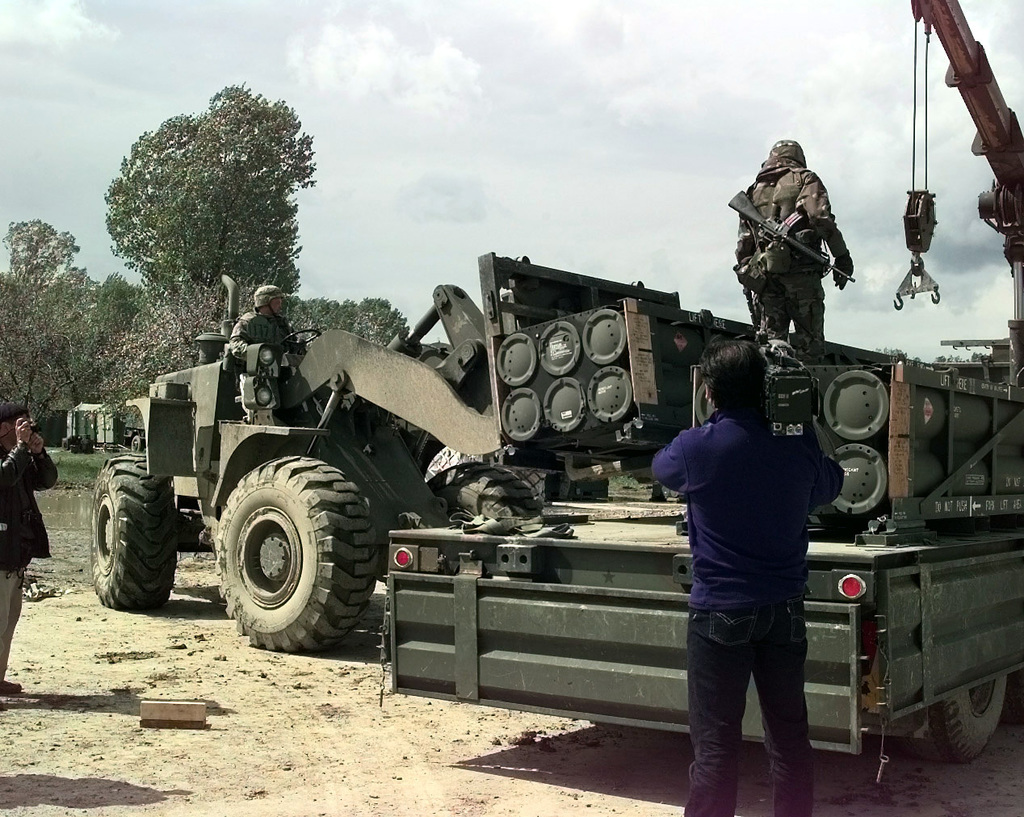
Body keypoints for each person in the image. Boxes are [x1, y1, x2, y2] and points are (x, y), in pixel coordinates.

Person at [651, 339, 844, 817]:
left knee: (716, 747)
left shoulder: (696, 449)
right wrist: (806, 420)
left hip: (720, 612)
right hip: (783, 611)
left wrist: (711, 425)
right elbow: (833, 481)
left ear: (710, 392)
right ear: (766, 389)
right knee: (790, 740)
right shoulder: (797, 445)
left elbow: (660, 468)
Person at [735, 139, 854, 363]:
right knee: (810, 348)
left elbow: (745, 240)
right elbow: (820, 218)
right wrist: (842, 256)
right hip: (802, 277)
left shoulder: (754, 190)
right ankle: (808, 395)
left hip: (767, 280)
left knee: (770, 349)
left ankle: (772, 394)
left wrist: (749, 272)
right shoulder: (805, 179)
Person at [0, 402, 58, 704]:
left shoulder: (20, 457)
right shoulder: (10, 459)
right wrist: (22, 449)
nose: (26, 429)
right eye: (20, 424)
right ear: (4, 429)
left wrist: (38, 453)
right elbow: (5, 476)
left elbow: (47, 480)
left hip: (15, 554)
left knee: (7, 624)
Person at [229, 284, 294, 363]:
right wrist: (259, 355)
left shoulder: (282, 324)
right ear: (265, 301)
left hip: (283, 368)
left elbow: (293, 342)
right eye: (277, 302)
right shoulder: (248, 321)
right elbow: (235, 344)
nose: (280, 306)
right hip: (253, 369)